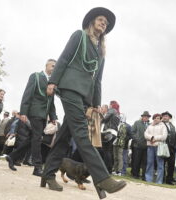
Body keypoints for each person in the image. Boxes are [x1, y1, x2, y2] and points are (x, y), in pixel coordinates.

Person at [42, 7, 126, 199]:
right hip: (70, 88)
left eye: (106, 22)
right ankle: (103, 177)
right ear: (92, 21)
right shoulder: (79, 35)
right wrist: (53, 81)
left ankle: (47, 175)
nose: (103, 23)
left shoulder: (101, 52)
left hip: (84, 96)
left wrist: (95, 105)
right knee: (81, 134)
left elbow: (98, 80)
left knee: (64, 136)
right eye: (101, 19)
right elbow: (64, 58)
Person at [6, 59, 57, 177]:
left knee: (33, 138)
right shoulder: (36, 76)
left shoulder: (53, 82)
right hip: (34, 112)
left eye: (56, 66)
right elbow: (27, 94)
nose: (54, 68)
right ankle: (37, 167)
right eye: (52, 66)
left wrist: (53, 116)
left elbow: (52, 100)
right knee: (37, 139)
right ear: (46, 65)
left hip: (44, 115)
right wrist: (23, 112)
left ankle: (12, 157)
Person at [144, 113, 168, 184]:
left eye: (158, 118)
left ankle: (159, 181)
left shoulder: (163, 126)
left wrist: (155, 139)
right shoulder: (149, 126)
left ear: (160, 119)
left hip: (159, 147)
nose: (156, 119)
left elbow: (164, 136)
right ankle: (148, 179)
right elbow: (145, 134)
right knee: (149, 163)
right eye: (155, 118)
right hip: (150, 147)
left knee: (160, 164)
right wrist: (151, 138)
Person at [102, 100, 120, 173]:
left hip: (109, 132)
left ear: (112, 105)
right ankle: (109, 169)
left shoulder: (112, 110)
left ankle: (106, 168)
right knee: (109, 151)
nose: (109, 106)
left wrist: (99, 118)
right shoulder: (118, 113)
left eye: (110, 104)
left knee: (106, 151)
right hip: (114, 133)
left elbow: (104, 119)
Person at [131, 111, 151, 180]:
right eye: (144, 116)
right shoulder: (137, 123)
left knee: (145, 162)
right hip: (137, 145)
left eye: (147, 117)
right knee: (137, 161)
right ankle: (135, 175)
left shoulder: (150, 124)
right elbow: (132, 132)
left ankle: (144, 176)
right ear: (142, 117)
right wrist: (137, 140)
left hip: (146, 146)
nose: (146, 117)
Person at [161, 111, 176, 185]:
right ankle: (162, 179)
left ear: (169, 117)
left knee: (171, 164)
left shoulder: (172, 126)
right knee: (162, 163)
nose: (165, 117)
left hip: (172, 147)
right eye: (163, 116)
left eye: (166, 116)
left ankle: (169, 180)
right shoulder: (160, 124)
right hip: (163, 146)